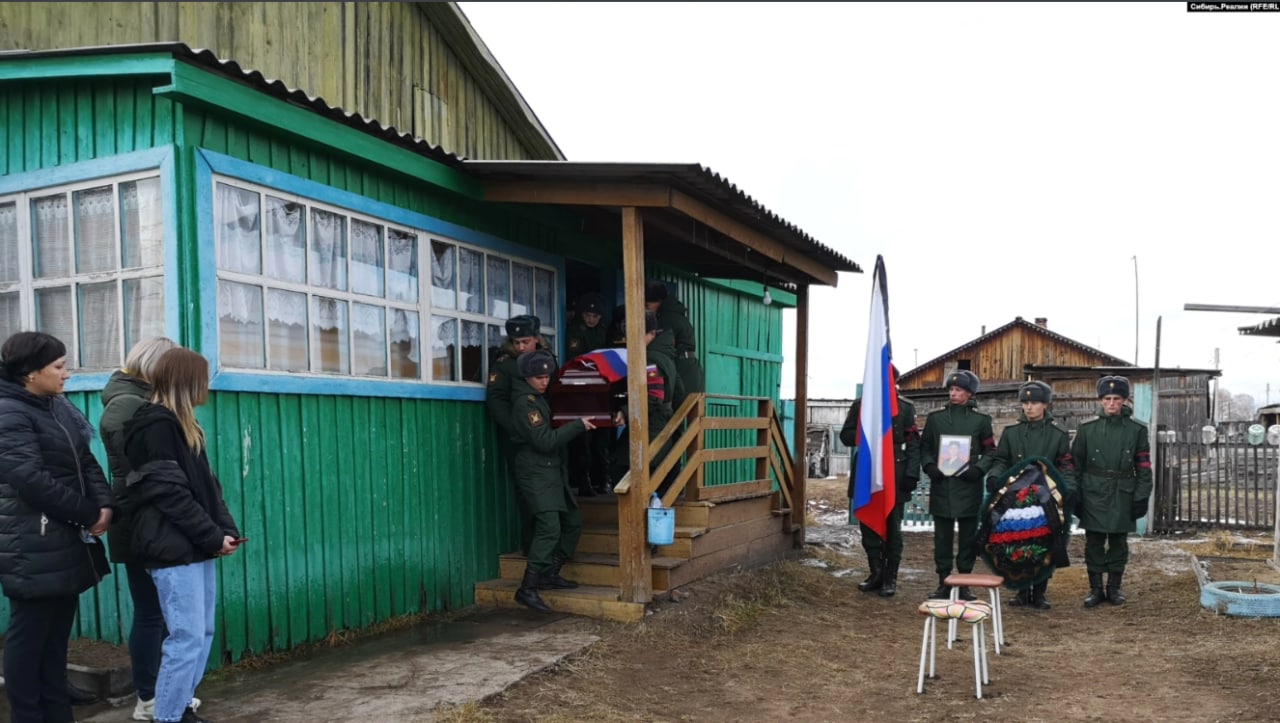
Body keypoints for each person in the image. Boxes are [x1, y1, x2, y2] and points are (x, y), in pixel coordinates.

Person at [122, 348, 242, 723]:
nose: (206, 386)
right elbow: (168, 492)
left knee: (200, 633)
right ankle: (169, 717)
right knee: (185, 638)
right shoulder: (154, 425)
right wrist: (211, 535)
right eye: (202, 378)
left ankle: (179, 707)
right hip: (170, 546)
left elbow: (209, 488)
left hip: (194, 544)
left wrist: (225, 532)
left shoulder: (185, 425)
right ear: (186, 381)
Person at [0, 331, 114, 723]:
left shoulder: (55, 407)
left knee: (54, 637)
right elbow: (29, 478)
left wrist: (104, 506)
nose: (67, 374)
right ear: (30, 373)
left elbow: (85, 460)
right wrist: (86, 512)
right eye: (59, 367)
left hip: (61, 535)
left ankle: (56, 710)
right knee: (30, 635)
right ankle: (28, 714)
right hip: (30, 539)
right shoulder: (8, 412)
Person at [99, 337, 210, 721]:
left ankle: (166, 697)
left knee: (171, 620)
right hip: (143, 522)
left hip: (157, 520)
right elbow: (144, 473)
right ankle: (151, 697)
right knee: (153, 614)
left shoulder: (146, 404)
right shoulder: (132, 407)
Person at [509, 349, 595, 612]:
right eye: (538, 377)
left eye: (547, 376)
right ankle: (528, 588)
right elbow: (544, 441)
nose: (544, 381)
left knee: (573, 521)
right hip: (536, 472)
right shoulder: (526, 403)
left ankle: (549, 572)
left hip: (551, 471)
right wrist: (577, 425)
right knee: (549, 528)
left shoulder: (540, 399)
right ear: (527, 377)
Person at [983, 380, 1077, 609]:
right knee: (1018, 540)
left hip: (1047, 497)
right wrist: (995, 476)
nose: (1029, 407)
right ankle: (1021, 590)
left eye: (1034, 403)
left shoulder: (1057, 433)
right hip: (1016, 498)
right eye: (1025, 403)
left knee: (1044, 541)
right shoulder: (1011, 432)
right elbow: (1001, 459)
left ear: (1045, 404)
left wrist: (1069, 487)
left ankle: (1040, 591)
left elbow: (1065, 464)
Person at [1071, 375, 1152, 608]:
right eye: (1107, 398)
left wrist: (1141, 496)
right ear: (1100, 400)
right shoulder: (1087, 429)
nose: (1112, 403)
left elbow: (1144, 467)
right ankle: (1095, 589)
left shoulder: (1137, 430)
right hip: (1093, 491)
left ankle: (1114, 588)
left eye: (1117, 398)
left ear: (1125, 400)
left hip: (1122, 492)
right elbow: (1076, 464)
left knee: (1118, 542)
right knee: (1094, 541)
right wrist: (1075, 494)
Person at [919, 370, 996, 600]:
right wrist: (930, 466)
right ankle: (943, 581)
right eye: (951, 389)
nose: (953, 393)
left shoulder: (981, 421)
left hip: (968, 487)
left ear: (969, 393)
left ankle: (964, 582)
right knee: (942, 537)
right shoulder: (935, 419)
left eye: (958, 390)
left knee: (968, 537)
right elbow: (924, 448)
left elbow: (990, 451)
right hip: (942, 486)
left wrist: (979, 469)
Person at [839, 390, 921, 597]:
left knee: (893, 527)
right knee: (869, 527)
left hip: (894, 474)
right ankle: (876, 573)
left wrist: (911, 474)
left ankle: (890, 578)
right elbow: (846, 436)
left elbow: (912, 443)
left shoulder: (904, 408)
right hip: (868, 472)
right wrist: (863, 430)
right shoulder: (861, 405)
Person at [486, 314, 553, 553]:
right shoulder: (505, 365)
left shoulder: (546, 359)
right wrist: (519, 428)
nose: (520, 347)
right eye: (516, 342)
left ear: (536, 339)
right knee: (529, 496)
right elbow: (496, 401)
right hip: (521, 441)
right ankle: (532, 546)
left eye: (525, 341)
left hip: (548, 438)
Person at [607, 309, 684, 494]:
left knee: (623, 468)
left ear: (650, 333)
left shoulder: (649, 358)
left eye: (634, 334)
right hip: (661, 423)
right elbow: (680, 391)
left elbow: (652, 398)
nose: (629, 338)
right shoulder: (666, 356)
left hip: (651, 425)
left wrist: (625, 411)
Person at [565, 293, 613, 496]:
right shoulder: (575, 331)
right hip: (581, 392)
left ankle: (603, 480)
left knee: (602, 440)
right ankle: (584, 482)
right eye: (588, 314)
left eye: (595, 315)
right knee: (582, 440)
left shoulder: (605, 332)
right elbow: (576, 360)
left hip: (602, 391)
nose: (591, 319)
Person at [645, 279, 703, 409]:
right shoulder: (676, 315)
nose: (647, 310)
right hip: (689, 370)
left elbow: (658, 348)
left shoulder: (666, 320)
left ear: (659, 302)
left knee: (674, 414)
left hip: (682, 371)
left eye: (648, 306)